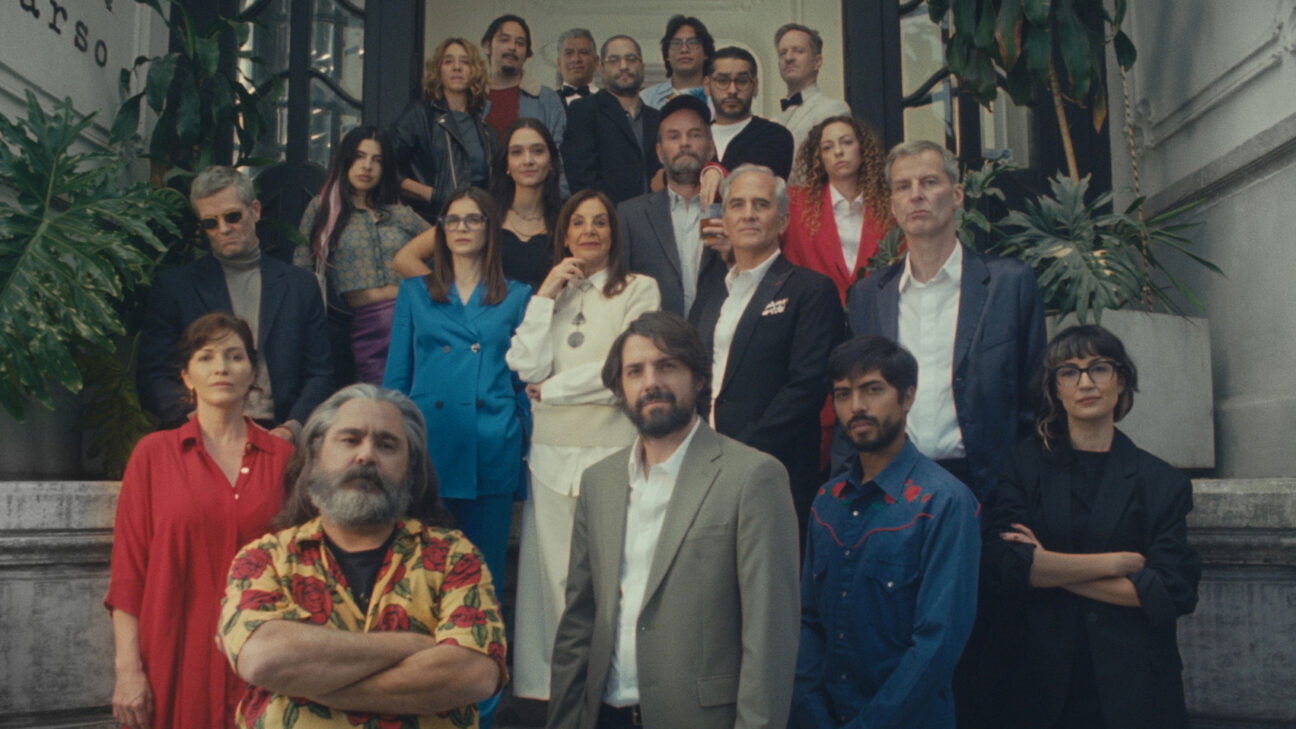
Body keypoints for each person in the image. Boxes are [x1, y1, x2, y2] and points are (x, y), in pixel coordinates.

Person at [547, 311, 800, 729]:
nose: (651, 382)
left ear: (698, 378)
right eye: (635, 371)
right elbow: (579, 619)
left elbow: (770, 633)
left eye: (667, 366)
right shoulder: (599, 482)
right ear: (620, 388)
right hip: (604, 716)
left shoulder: (753, 477)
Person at [216, 384, 507, 728]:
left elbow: (473, 674)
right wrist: (412, 645)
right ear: (315, 456)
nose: (366, 456)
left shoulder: (454, 557)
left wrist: (314, 684)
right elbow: (264, 659)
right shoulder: (264, 559)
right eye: (350, 440)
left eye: (386, 445)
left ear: (411, 467)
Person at [983, 325, 1201, 729]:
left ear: (1121, 380)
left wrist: (1048, 568)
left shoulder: (1162, 483)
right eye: (1069, 372)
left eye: (1099, 368)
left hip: (1134, 689)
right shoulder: (1023, 466)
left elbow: (1173, 590)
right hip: (1040, 686)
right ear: (1055, 389)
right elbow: (1005, 565)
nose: (1085, 383)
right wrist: (1115, 564)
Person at [505, 189, 661, 700]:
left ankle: (612, 688)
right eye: (578, 222)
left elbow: (625, 368)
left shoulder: (639, 289)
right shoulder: (554, 294)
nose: (589, 230)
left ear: (614, 233)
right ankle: (554, 692)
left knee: (610, 572)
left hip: (611, 449)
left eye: (599, 221)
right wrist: (546, 294)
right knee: (552, 578)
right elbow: (524, 364)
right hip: (550, 454)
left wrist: (552, 390)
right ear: (564, 234)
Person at [107, 312, 295, 729]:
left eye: (235, 356)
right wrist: (128, 671)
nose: (221, 368)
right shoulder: (153, 455)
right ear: (186, 376)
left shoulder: (284, 460)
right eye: (206, 357)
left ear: (253, 374)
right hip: (173, 651)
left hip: (262, 655)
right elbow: (129, 572)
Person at [793, 335, 980, 729]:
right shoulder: (826, 502)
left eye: (873, 390)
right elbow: (807, 621)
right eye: (843, 394)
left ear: (907, 396)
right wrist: (813, 712)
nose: (856, 406)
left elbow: (938, 642)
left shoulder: (944, 502)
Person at [842, 140, 1046, 497]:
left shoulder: (1009, 285)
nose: (916, 195)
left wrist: (1025, 494)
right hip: (892, 484)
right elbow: (853, 401)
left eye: (929, 182)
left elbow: (1037, 400)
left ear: (957, 195)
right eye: (903, 186)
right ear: (893, 205)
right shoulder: (868, 297)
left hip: (987, 485)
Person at [383, 186, 531, 592]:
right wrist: (392, 443)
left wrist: (521, 441)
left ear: (490, 228)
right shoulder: (415, 292)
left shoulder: (518, 296)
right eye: (453, 220)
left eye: (473, 219)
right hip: (432, 443)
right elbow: (397, 377)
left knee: (484, 576)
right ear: (442, 230)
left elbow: (523, 381)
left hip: (491, 443)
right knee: (422, 576)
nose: (462, 228)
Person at [690, 164, 842, 531]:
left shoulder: (810, 290)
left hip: (775, 471)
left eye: (761, 204)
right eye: (737, 205)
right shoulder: (710, 296)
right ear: (724, 219)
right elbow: (693, 377)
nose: (748, 214)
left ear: (783, 220)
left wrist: (739, 453)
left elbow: (805, 387)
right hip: (705, 471)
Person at [138, 166, 332, 439]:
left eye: (232, 216)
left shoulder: (300, 286)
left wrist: (291, 429)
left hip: (280, 432)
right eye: (210, 222)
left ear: (255, 210)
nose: (224, 229)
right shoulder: (175, 287)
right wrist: (200, 423)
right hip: (201, 434)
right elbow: (154, 376)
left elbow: (320, 373)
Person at [296, 125, 434, 384]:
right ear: (346, 160)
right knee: (378, 397)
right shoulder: (323, 208)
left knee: (418, 395)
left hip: (415, 319)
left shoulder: (399, 213)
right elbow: (302, 266)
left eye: (377, 160)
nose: (367, 166)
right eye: (360, 156)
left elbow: (450, 244)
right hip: (365, 325)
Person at [394, 118, 563, 289]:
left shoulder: (568, 217)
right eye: (516, 152)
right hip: (490, 306)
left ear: (551, 161)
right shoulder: (482, 209)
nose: (528, 160)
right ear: (506, 164)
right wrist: (450, 297)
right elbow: (405, 259)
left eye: (538, 151)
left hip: (549, 306)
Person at [620, 94, 726, 316]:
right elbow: (620, 291)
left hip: (720, 332)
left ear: (711, 148)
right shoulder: (631, 215)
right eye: (674, 136)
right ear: (660, 152)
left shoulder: (728, 210)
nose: (684, 143)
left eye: (695, 135)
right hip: (656, 334)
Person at [784, 115, 893, 304]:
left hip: (879, 311)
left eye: (847, 142)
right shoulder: (796, 204)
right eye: (827, 147)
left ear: (862, 148)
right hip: (815, 312)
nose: (838, 152)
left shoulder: (890, 205)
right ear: (819, 157)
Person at [391, 37, 496, 223]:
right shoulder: (419, 114)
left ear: (475, 71)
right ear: (438, 69)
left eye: (465, 62)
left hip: (476, 221)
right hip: (430, 221)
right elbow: (387, 166)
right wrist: (432, 194)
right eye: (448, 61)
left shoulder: (485, 129)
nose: (456, 67)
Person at [562, 35, 662, 204]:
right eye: (614, 60)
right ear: (601, 68)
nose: (624, 66)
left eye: (631, 59)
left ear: (642, 66)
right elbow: (581, 177)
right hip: (605, 214)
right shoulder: (583, 110)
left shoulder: (657, 118)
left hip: (654, 215)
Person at [705, 46, 795, 180]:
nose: (732, 90)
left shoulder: (775, 136)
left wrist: (716, 172)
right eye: (722, 81)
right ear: (707, 86)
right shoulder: (695, 137)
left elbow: (760, 185)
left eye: (742, 81)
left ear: (755, 86)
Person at [480, 14, 566, 148]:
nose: (512, 47)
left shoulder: (547, 100)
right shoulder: (472, 96)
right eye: (504, 40)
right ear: (487, 46)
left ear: (527, 54)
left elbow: (557, 152)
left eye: (520, 43)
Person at [773, 23, 851, 154]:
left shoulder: (833, 109)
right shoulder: (774, 121)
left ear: (817, 61)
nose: (788, 58)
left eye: (798, 51)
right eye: (783, 53)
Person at [640, 15, 715, 110]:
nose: (684, 49)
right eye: (676, 43)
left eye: (692, 42)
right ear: (667, 55)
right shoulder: (646, 99)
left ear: (706, 53)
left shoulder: (719, 95)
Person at [556, 28, 599, 106]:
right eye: (569, 53)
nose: (576, 59)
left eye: (583, 52)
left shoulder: (610, 101)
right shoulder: (546, 102)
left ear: (596, 61)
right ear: (559, 63)